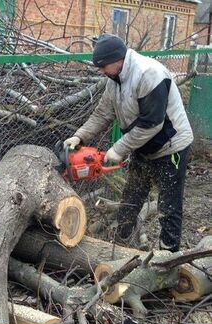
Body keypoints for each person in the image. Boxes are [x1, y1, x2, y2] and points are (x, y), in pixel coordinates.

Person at [64, 34, 194, 252]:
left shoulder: (149, 74)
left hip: (171, 147)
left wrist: (118, 149)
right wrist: (80, 136)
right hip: (143, 149)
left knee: (168, 207)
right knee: (130, 200)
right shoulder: (113, 80)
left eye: (103, 66)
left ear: (118, 59)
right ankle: (121, 246)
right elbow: (102, 113)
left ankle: (168, 258)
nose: (101, 71)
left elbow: (152, 123)